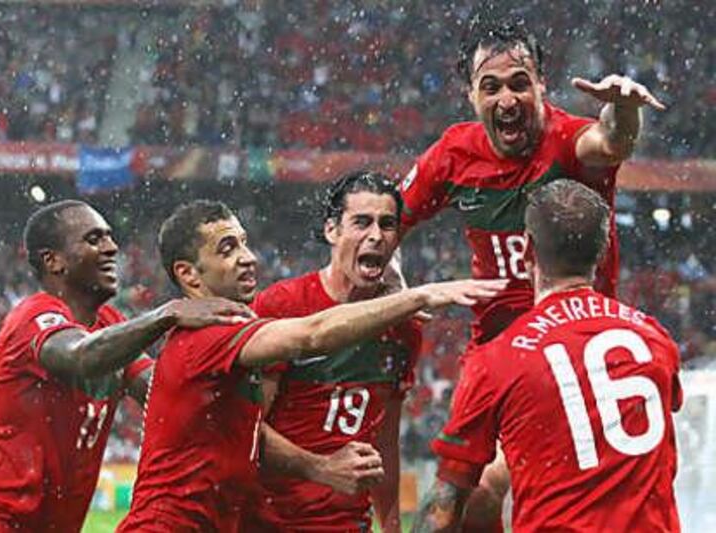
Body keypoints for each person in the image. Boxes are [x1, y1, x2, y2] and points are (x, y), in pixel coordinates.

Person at [396, 15, 666, 528]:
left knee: (572, 499)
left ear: (542, 84)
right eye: (490, 86)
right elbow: (391, 219)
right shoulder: (452, 155)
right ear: (470, 95)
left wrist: (624, 111)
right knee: (472, 497)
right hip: (503, 358)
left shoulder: (567, 139)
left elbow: (610, 142)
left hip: (578, 349)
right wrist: (396, 283)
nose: (507, 99)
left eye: (520, 83)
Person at [116, 200, 506, 532]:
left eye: (246, 243)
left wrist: (318, 467)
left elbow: (253, 434)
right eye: (227, 248)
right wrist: (419, 295)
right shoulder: (205, 336)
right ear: (187, 274)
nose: (248, 258)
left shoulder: (232, 335)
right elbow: (312, 333)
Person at [0, 200, 253, 532]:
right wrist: (168, 314)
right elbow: (81, 357)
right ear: (53, 261)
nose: (111, 248)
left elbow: (166, 392)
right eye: (94, 239)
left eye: (110, 237)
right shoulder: (31, 316)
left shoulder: (108, 324)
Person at [412, 179, 682, 532]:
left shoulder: (498, 359)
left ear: (527, 250)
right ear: (603, 252)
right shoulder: (654, 339)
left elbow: (446, 511)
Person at [247, 171, 420, 532]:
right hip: (267, 520)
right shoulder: (283, 305)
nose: (376, 235)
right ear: (332, 231)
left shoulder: (404, 327)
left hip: (346, 523)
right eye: (361, 222)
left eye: (387, 224)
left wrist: (390, 523)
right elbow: (246, 428)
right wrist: (321, 467)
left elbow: (384, 439)